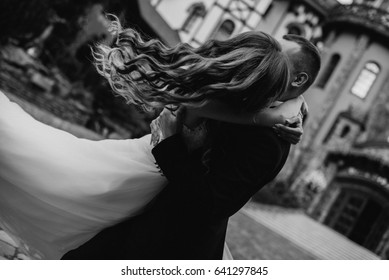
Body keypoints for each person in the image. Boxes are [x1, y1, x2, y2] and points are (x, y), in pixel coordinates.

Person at [0, 17, 320, 259]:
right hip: (142, 177)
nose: (272, 53)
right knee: (42, 168)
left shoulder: (264, 120)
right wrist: (274, 114)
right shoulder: (239, 103)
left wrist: (293, 108)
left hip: (160, 207)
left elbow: (210, 203)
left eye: (280, 55)